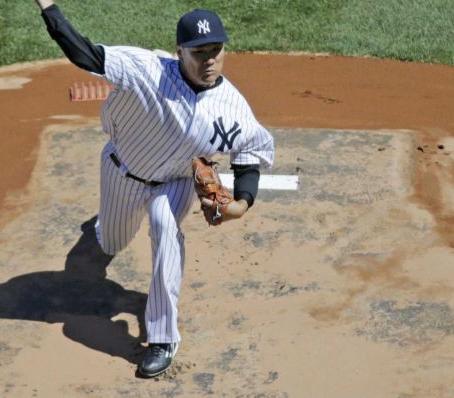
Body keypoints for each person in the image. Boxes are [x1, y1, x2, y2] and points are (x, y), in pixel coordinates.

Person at [32, 0, 274, 377]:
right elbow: (84, 53)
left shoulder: (235, 108)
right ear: (180, 51)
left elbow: (250, 154)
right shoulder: (147, 70)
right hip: (121, 172)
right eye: (199, 52)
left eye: (216, 51)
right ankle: (99, 228)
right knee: (111, 242)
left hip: (174, 183)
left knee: (164, 226)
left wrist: (242, 203)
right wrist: (48, 7)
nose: (209, 60)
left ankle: (163, 338)